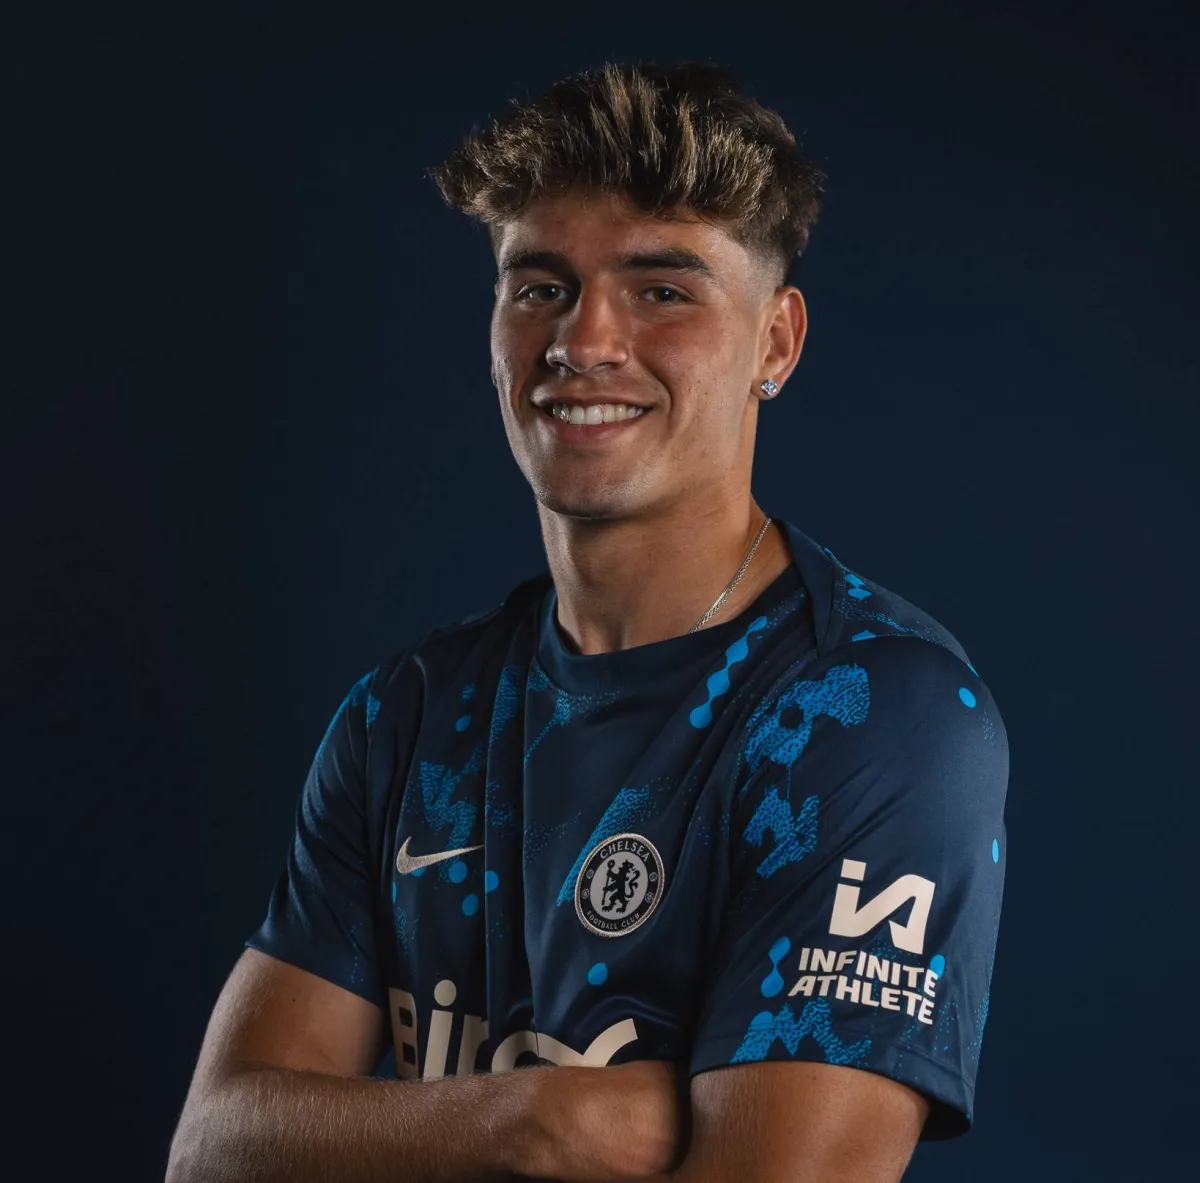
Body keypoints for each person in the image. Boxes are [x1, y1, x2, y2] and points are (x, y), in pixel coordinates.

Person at [167, 60, 1009, 1183]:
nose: (583, 341)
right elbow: (213, 1147)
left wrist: (380, 1137)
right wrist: (536, 1121)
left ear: (776, 342)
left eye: (662, 291)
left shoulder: (870, 714)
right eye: (540, 287)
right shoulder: (405, 717)